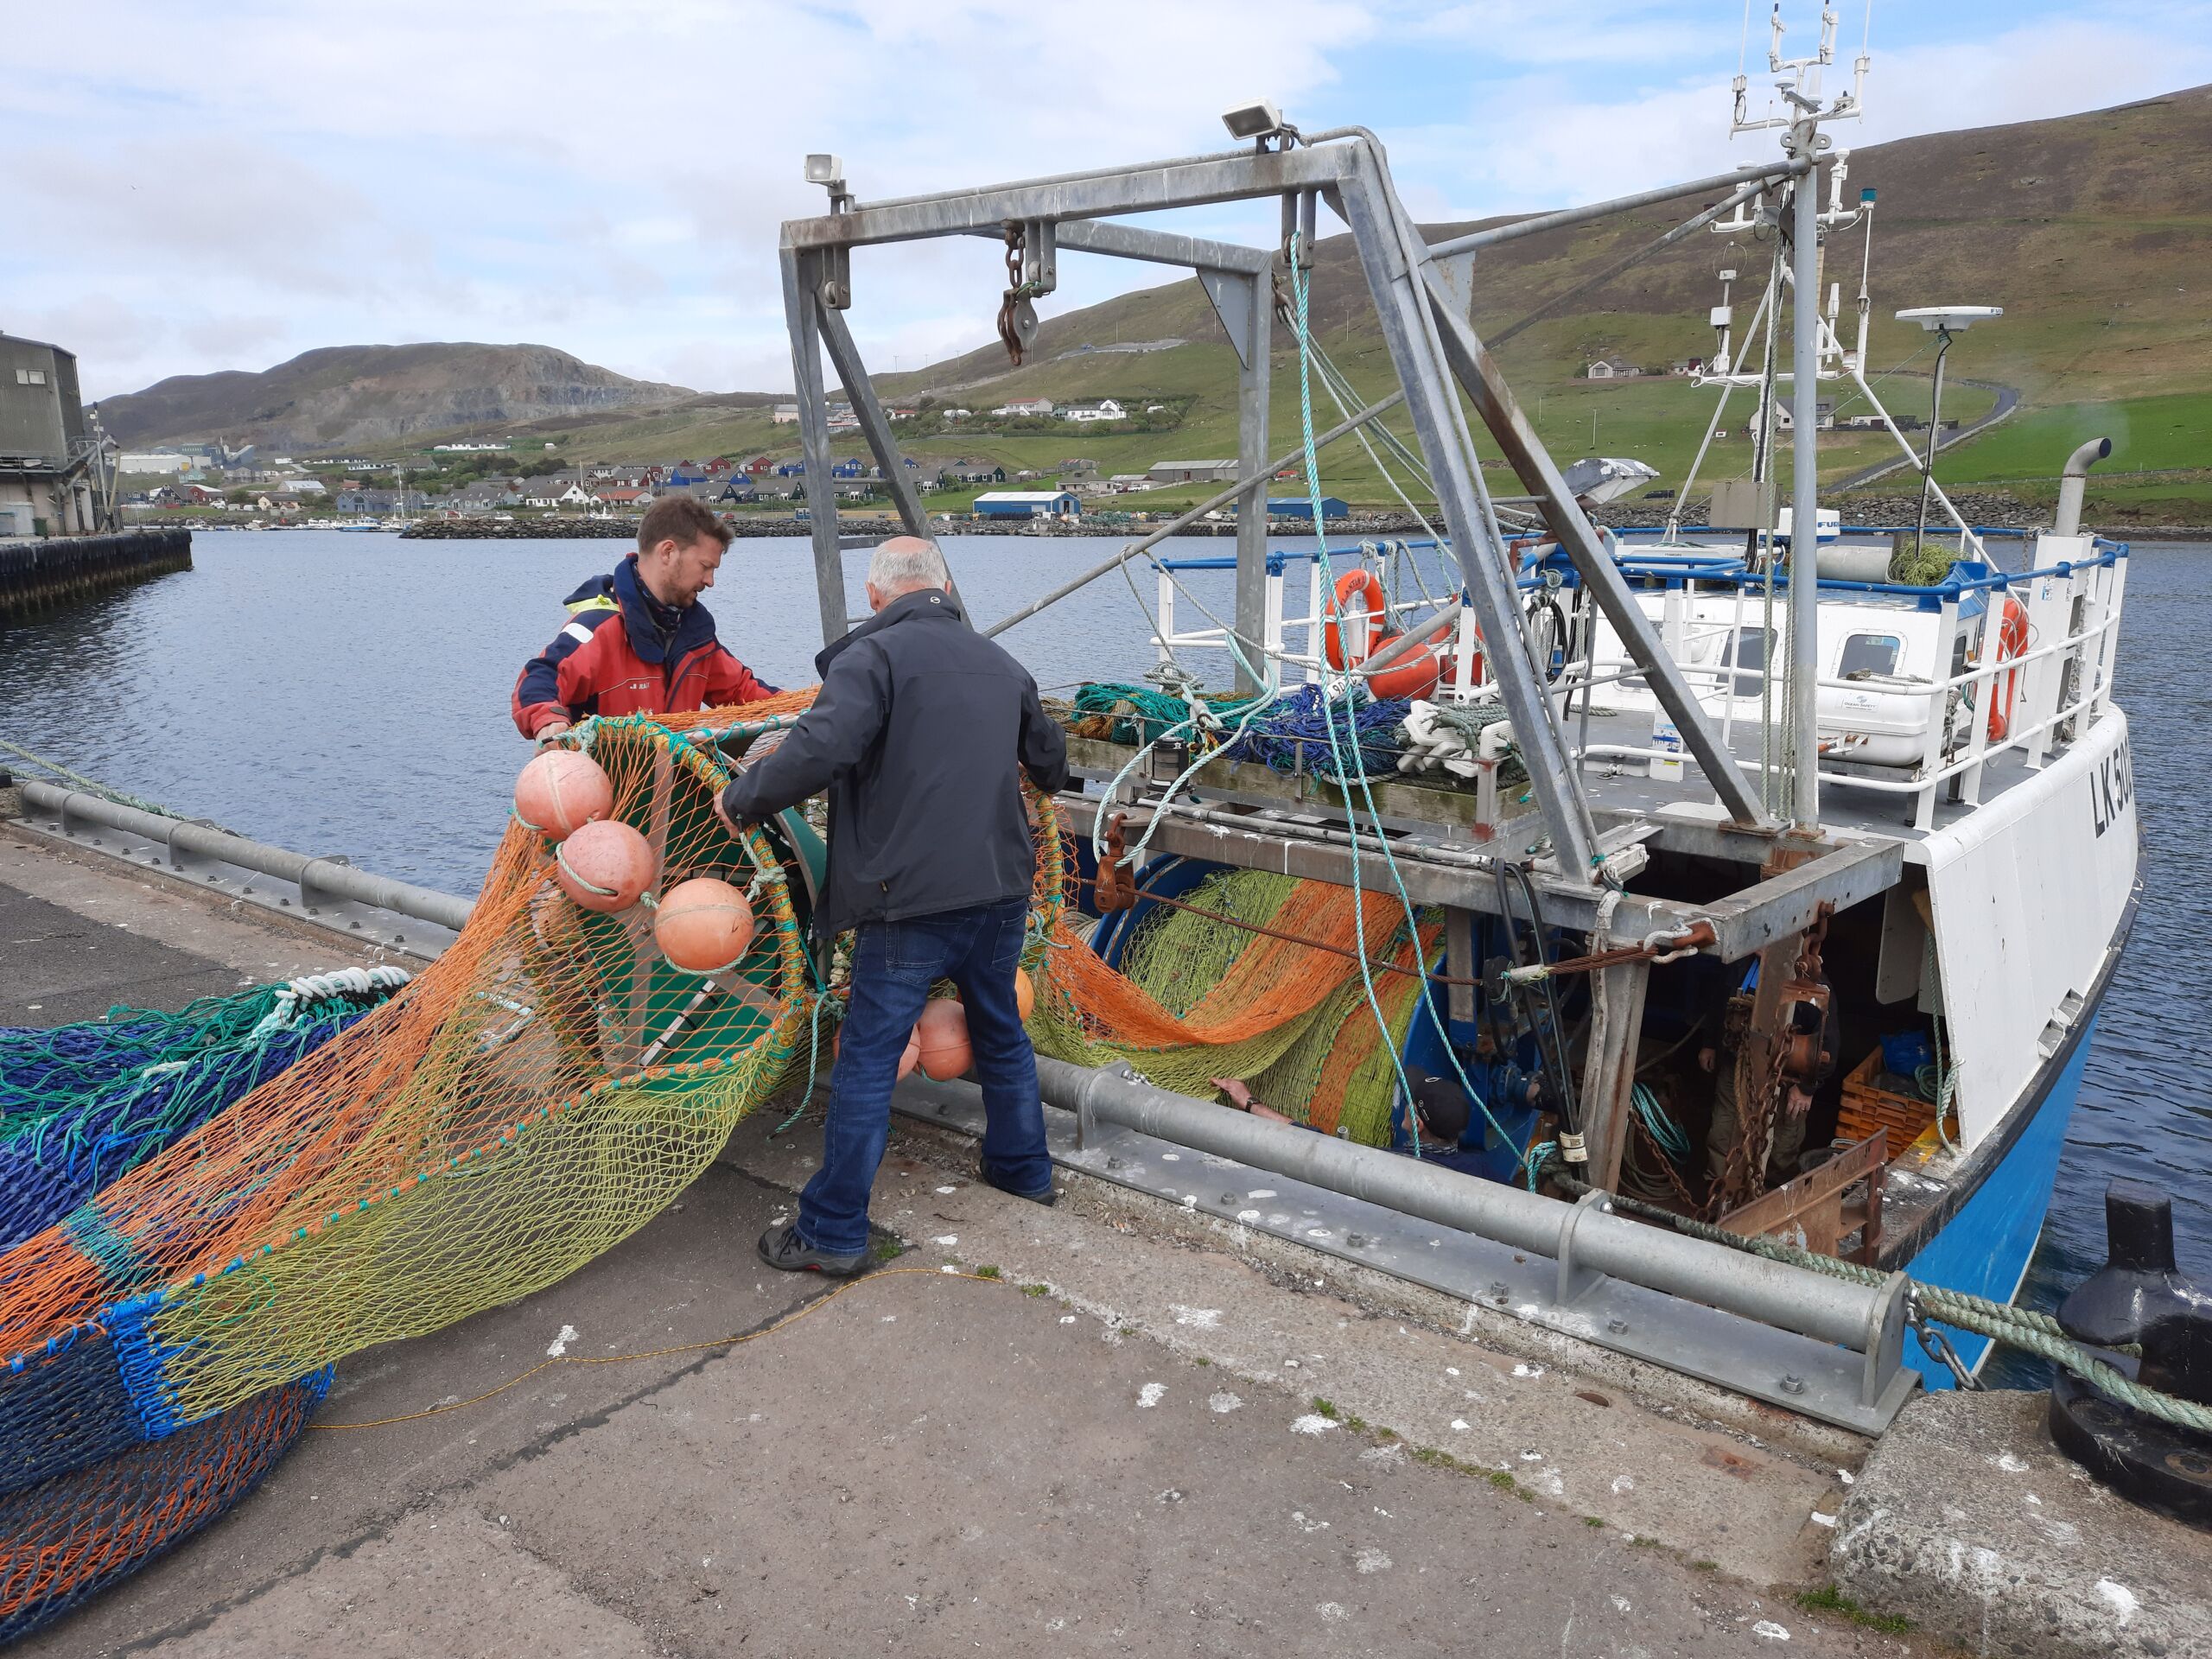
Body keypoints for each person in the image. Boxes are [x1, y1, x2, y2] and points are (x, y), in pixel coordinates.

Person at [715, 537, 1070, 1275]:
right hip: (1001, 889)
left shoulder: (870, 659)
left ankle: (834, 1231)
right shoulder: (1002, 664)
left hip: (906, 899)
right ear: (941, 586)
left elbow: (820, 748)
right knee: (1000, 1033)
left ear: (877, 597)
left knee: (871, 1060)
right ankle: (1023, 1173)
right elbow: (1051, 764)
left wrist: (742, 797)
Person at [512, 495, 777, 741]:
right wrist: (547, 721)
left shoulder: (695, 636)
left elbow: (744, 691)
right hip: (607, 786)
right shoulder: (597, 628)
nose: (710, 581)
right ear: (668, 552)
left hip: (671, 786)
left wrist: (811, 706)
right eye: (705, 567)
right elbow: (539, 678)